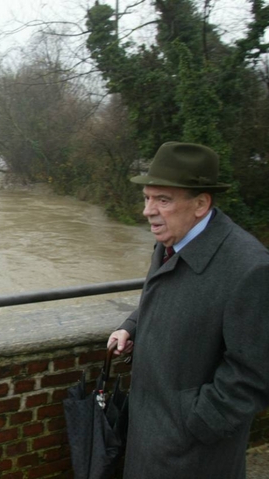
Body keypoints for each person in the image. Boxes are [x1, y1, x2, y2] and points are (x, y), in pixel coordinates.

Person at [108, 141, 269, 479]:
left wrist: (196, 423)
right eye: (147, 198)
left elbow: (254, 372)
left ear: (200, 204)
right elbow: (165, 294)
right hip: (150, 434)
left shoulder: (249, 268)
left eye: (162, 200)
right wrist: (131, 326)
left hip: (193, 455)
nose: (147, 211)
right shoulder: (171, 241)